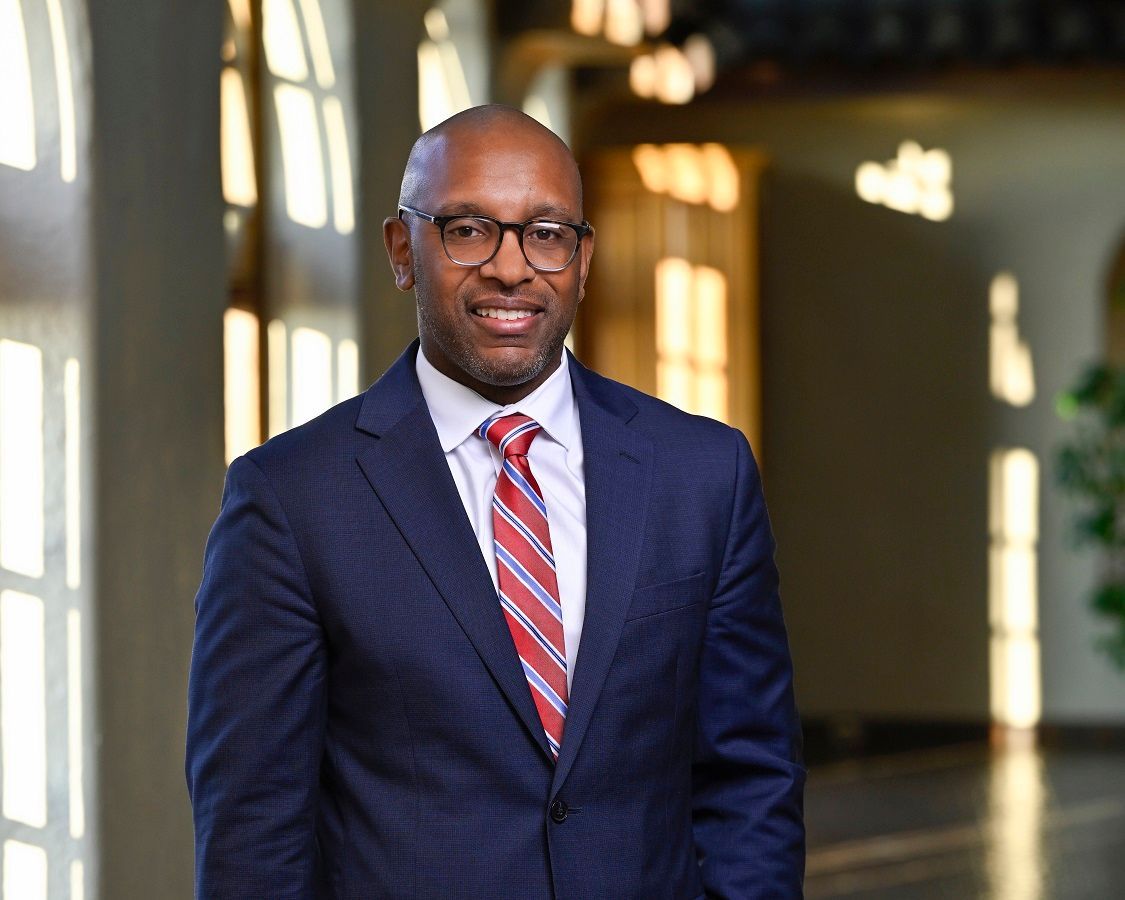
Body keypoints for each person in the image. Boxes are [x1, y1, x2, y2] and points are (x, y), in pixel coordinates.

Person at [186, 104, 805, 899]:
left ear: (582, 261)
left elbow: (751, 775)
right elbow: (252, 828)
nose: (512, 268)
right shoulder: (290, 499)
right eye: (468, 229)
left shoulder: (701, 474)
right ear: (403, 250)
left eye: (546, 234)